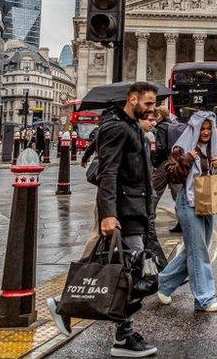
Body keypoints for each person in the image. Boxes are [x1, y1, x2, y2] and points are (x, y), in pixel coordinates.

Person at [47, 82, 159, 357]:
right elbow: (108, 174)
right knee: (140, 277)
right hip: (124, 211)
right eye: (148, 103)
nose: (152, 109)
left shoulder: (133, 128)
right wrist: (108, 214)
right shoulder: (118, 128)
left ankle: (121, 335)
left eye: (154, 104)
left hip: (138, 210)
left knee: (128, 274)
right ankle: (69, 306)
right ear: (132, 99)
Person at [157, 112, 217, 312]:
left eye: (208, 128)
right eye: (202, 128)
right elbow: (171, 174)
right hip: (188, 202)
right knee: (199, 252)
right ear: (195, 129)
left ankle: (162, 285)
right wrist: (186, 160)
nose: (205, 132)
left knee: (196, 248)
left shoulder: (215, 147)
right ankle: (204, 298)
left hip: (208, 201)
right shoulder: (182, 148)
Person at [151, 107, 185, 232]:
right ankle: (183, 221)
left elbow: (161, 148)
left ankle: (149, 220)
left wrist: (154, 163)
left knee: (154, 191)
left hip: (164, 163)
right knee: (178, 193)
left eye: (155, 115)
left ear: (159, 115)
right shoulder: (174, 125)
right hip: (176, 162)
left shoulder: (161, 127)